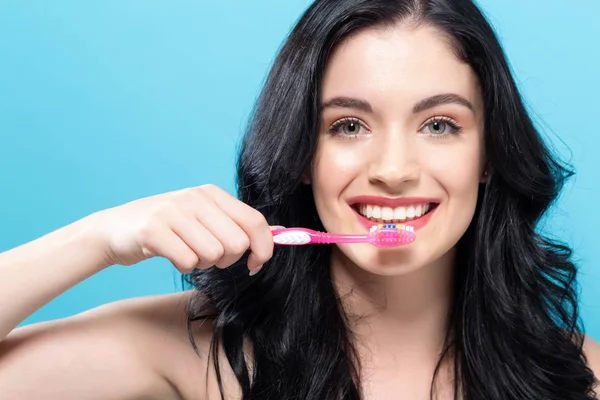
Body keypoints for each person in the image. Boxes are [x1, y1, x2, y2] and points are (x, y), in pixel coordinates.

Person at [0, 0, 598, 399]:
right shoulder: (194, 354)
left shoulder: (582, 377)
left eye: (439, 125)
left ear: (489, 155)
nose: (393, 171)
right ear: (301, 156)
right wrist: (100, 239)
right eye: (347, 126)